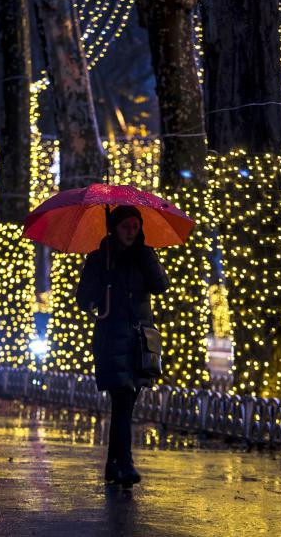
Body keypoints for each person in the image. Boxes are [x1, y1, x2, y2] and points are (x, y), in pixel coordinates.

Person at [76, 205, 169, 486]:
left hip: (140, 341)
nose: (131, 232)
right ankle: (124, 463)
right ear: (114, 228)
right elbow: (84, 299)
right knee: (123, 399)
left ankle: (113, 465)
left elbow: (160, 286)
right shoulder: (99, 258)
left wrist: (146, 257)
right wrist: (101, 285)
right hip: (112, 337)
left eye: (135, 226)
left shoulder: (145, 255)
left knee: (126, 405)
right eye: (125, 226)